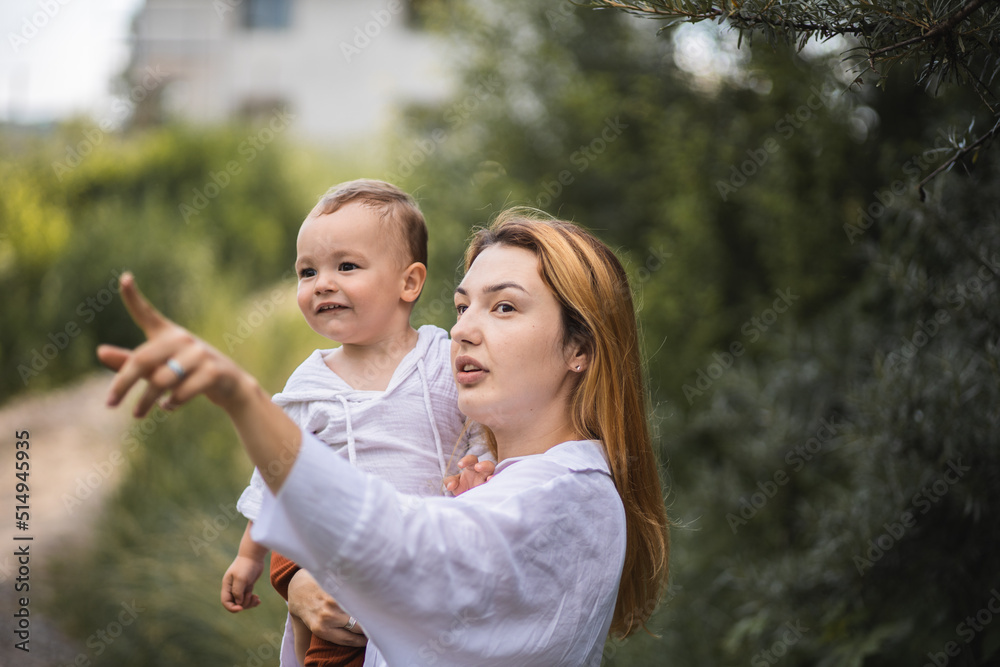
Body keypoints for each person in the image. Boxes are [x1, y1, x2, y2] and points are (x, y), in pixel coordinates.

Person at [99, 209, 670, 666]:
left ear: (580, 349)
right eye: (462, 306)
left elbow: (411, 547)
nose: (465, 329)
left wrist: (241, 396)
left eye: (504, 307)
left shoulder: (567, 495)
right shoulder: (495, 480)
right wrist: (296, 580)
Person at [219, 179, 492, 667]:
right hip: (344, 582)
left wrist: (480, 470)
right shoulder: (310, 386)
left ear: (409, 282)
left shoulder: (439, 357)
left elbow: (477, 425)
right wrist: (249, 557)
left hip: (434, 563)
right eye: (307, 272)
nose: (323, 282)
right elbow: (277, 477)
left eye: (346, 266)